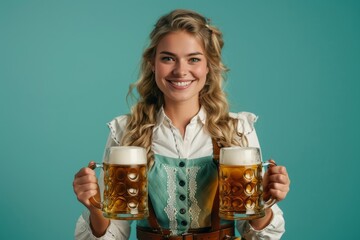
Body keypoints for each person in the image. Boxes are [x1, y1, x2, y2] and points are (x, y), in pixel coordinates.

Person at [73, 9, 290, 240]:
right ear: (152, 64)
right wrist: (95, 207)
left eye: (194, 59)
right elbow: (114, 235)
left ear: (209, 65)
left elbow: (258, 236)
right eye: (168, 58)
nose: (180, 71)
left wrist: (264, 203)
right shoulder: (125, 132)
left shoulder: (238, 129)